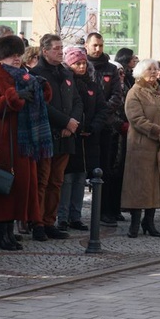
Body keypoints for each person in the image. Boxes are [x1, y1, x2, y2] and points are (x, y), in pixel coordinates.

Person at [0, 35, 50, 250]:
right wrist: (14, 95)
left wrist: (42, 88)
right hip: (3, 141)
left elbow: (40, 102)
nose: (16, 59)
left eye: (18, 54)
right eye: (11, 55)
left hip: (22, 141)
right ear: (1, 57)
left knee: (20, 187)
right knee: (3, 187)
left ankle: (9, 231)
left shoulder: (24, 75)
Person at [30, 34, 83, 241]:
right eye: (56, 48)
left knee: (57, 181)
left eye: (62, 48)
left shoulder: (66, 73)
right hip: (47, 134)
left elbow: (77, 101)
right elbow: (41, 104)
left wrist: (73, 123)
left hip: (67, 135)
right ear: (45, 51)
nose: (61, 52)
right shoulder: (36, 74)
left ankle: (50, 221)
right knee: (42, 180)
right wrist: (64, 122)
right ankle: (38, 223)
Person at [121, 58, 160, 238]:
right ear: (141, 72)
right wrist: (157, 131)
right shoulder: (135, 92)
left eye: (156, 69)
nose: (154, 72)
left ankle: (149, 221)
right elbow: (136, 118)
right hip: (141, 146)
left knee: (157, 184)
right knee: (140, 185)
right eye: (150, 69)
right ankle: (135, 222)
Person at [57, 47, 107, 232]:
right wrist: (74, 126)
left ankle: (75, 216)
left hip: (89, 140)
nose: (81, 66)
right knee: (67, 178)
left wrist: (94, 127)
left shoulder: (93, 84)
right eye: (77, 63)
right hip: (71, 137)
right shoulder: (66, 82)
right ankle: (62, 216)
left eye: (84, 63)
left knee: (80, 178)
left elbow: (103, 108)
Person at [84, 33, 125, 227]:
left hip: (106, 126)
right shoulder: (81, 66)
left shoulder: (111, 69)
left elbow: (117, 96)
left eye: (100, 45)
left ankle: (105, 211)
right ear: (87, 45)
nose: (98, 49)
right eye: (94, 45)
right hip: (85, 125)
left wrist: (102, 113)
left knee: (106, 169)